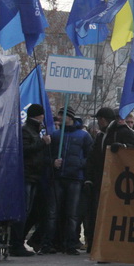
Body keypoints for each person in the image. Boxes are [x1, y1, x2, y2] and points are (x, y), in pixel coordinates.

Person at [84, 107, 134, 252]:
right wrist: (89, 178)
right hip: (100, 180)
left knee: (112, 213)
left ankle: (110, 245)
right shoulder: (100, 136)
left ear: (102, 120)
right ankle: (95, 244)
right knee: (96, 213)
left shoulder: (121, 132)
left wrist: (123, 146)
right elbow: (93, 159)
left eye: (98, 120)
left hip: (116, 180)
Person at [41, 107, 92, 255]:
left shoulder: (84, 136)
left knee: (72, 213)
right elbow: (46, 156)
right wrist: (52, 163)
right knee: (52, 213)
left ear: (69, 117)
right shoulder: (56, 135)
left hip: (75, 178)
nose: (59, 119)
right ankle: (49, 243)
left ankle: (70, 243)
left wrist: (79, 165)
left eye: (62, 116)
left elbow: (90, 156)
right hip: (57, 178)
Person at [9, 104, 51, 256]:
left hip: (35, 176)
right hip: (28, 175)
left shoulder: (34, 131)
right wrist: (42, 142)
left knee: (33, 210)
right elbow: (25, 150)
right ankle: (15, 243)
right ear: (39, 116)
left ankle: (18, 241)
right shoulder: (26, 130)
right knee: (24, 210)